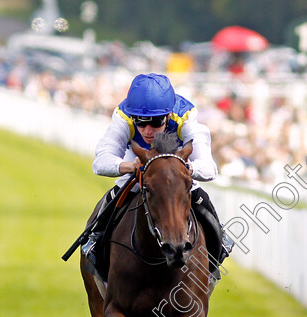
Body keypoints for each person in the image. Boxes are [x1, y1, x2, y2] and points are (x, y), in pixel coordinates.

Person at [82, 72, 231, 279]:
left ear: (169, 116)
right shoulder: (124, 116)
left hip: (176, 166)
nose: (148, 130)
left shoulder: (186, 117)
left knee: (198, 195)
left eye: (155, 122)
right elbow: (100, 162)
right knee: (118, 192)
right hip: (137, 161)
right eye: (141, 123)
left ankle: (217, 248)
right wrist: (128, 166)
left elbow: (209, 168)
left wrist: (188, 169)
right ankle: (95, 243)